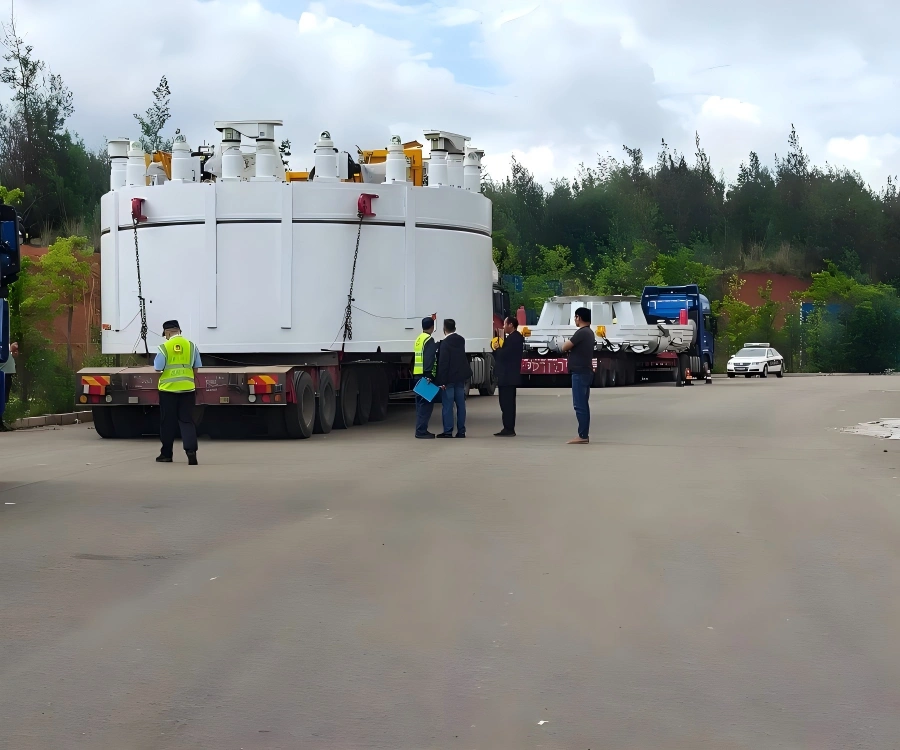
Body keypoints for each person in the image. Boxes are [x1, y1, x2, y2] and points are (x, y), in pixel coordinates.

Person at [154, 320, 201, 464]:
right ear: (179, 330)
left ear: (167, 333)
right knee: (187, 421)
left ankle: (166, 454)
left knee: (167, 422)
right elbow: (196, 368)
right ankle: (191, 452)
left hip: (168, 391)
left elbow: (158, 368)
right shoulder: (192, 346)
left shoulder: (164, 347)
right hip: (187, 390)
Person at [561, 306, 595, 444]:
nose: (575, 320)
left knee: (579, 405)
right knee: (583, 404)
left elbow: (564, 346)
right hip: (585, 371)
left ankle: (582, 435)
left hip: (580, 372)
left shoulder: (582, 332)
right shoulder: (590, 332)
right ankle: (583, 434)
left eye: (575, 317)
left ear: (579, 317)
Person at [436, 318, 472, 438]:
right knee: (461, 405)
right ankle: (461, 431)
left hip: (449, 379)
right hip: (460, 378)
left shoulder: (445, 343)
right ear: (455, 328)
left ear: (444, 329)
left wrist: (442, 381)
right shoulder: (461, 340)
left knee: (448, 405)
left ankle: (448, 431)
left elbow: (444, 363)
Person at [492, 317, 524, 437]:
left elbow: (505, 356)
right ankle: (508, 427)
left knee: (507, 403)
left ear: (511, 325)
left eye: (505, 324)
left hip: (507, 376)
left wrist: (496, 349)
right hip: (509, 376)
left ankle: (509, 428)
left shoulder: (513, 338)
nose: (503, 327)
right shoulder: (515, 337)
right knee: (507, 403)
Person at [413, 317, 439, 439]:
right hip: (425, 376)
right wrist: (429, 375)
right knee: (426, 405)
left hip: (417, 375)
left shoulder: (419, 339)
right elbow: (429, 358)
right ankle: (421, 431)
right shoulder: (429, 339)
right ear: (432, 327)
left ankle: (420, 429)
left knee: (420, 405)